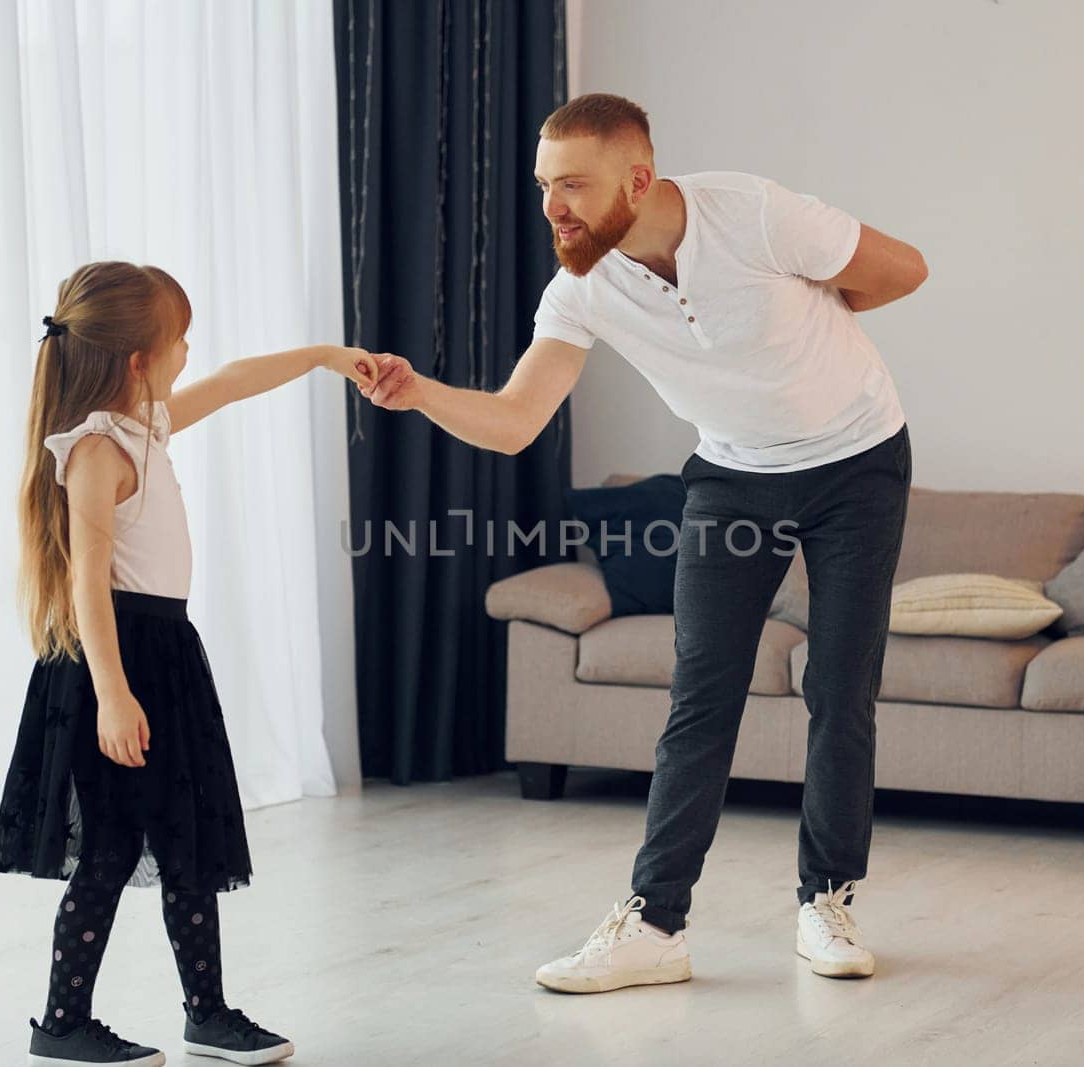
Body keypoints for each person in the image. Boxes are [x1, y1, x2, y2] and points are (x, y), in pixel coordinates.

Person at [360, 93, 926, 992]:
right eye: (545, 185)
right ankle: (656, 923)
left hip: (858, 460)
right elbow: (514, 421)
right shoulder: (582, 287)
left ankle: (826, 899)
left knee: (839, 683)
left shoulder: (753, 214)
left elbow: (905, 269)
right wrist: (418, 391)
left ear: (638, 177)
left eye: (573, 185)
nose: (553, 206)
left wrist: (813, 329)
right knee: (701, 694)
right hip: (734, 474)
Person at [0, 260, 376, 1062]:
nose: (190, 350)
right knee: (108, 849)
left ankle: (208, 1013)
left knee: (183, 835)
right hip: (116, 659)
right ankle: (61, 1023)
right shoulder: (96, 449)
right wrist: (112, 695)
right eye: (179, 339)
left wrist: (323, 356)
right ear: (139, 359)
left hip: (165, 652)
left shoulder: (146, 424)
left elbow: (233, 381)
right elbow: (87, 583)